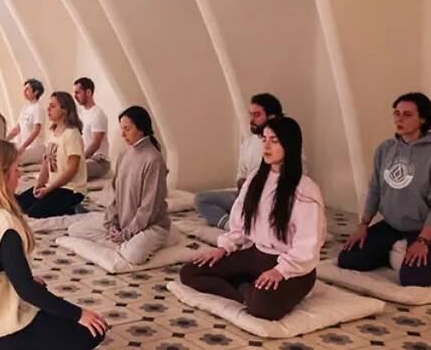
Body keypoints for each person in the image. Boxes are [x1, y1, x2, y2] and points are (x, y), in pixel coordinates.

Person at [0, 138, 106, 349]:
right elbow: (26, 290)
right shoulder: (4, 225)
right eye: (16, 169)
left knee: (46, 300)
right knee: (93, 331)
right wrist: (80, 314)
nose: (20, 174)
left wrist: (26, 278)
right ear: (2, 175)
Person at [179, 117, 325, 321]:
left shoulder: (305, 189)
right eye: (264, 139)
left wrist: (280, 271)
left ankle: (248, 291)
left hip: (292, 267)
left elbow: (307, 245)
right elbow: (240, 225)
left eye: (274, 140)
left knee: (264, 306)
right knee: (190, 272)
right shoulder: (256, 179)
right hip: (255, 255)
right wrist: (224, 248)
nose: (266, 145)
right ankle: (245, 291)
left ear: (289, 145)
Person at [338, 92, 431, 286]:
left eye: (407, 114)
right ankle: (390, 252)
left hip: (422, 228)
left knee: (414, 278)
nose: (399, 119)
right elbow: (375, 189)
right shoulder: (385, 149)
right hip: (392, 224)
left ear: (422, 119)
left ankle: (403, 254)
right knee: (348, 258)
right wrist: (363, 225)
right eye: (397, 113)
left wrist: (423, 241)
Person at [68, 106, 172, 265]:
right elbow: (116, 196)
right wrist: (112, 224)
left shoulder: (153, 160)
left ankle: (123, 245)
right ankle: (119, 244)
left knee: (133, 256)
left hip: (150, 226)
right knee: (76, 230)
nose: (123, 134)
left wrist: (127, 233)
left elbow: (149, 208)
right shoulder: (124, 156)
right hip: (123, 223)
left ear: (141, 129)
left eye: (127, 129)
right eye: (122, 129)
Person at [193, 93, 283, 230]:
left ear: (272, 117)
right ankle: (233, 226)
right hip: (246, 197)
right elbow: (241, 173)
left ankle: (251, 224)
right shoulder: (249, 143)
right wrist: (242, 183)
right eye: (250, 115)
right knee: (200, 199)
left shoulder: (285, 143)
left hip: (270, 201)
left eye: (257, 115)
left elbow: (293, 177)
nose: (251, 120)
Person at [16, 92, 86, 218]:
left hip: (71, 189)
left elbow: (72, 169)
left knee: (35, 212)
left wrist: (48, 190)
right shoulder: (52, 133)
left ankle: (73, 209)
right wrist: (39, 184)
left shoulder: (72, 134)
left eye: (53, 106)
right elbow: (46, 163)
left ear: (65, 110)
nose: (48, 109)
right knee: (21, 204)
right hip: (53, 186)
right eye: (49, 106)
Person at [73, 77, 111, 180]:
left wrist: (79, 161)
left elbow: (95, 144)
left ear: (88, 92)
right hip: (86, 159)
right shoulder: (81, 114)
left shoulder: (98, 114)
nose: (75, 96)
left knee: (71, 171)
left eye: (78, 93)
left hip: (100, 161)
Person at [6, 79, 46, 166]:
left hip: (35, 148)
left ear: (36, 92)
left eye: (27, 89)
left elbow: (36, 131)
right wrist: (4, 140)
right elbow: (17, 129)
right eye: (24, 89)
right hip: (23, 147)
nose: (24, 91)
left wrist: (23, 147)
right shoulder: (25, 108)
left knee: (9, 160)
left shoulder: (38, 108)